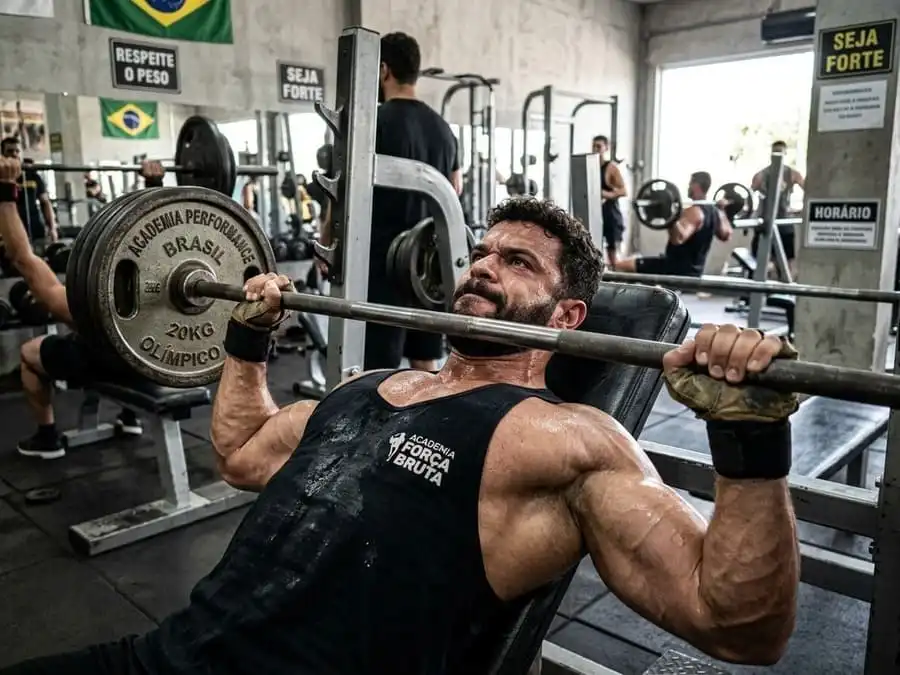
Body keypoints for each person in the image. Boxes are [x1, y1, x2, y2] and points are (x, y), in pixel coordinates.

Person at [1, 198, 801, 675]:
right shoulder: (362, 390)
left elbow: (739, 622)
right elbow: (243, 452)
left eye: (518, 262)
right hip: (166, 655)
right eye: (481, 251)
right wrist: (244, 344)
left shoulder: (566, 440)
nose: (483, 266)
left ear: (565, 318)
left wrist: (749, 441)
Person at [0, 158, 168, 459]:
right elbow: (166, 237)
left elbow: (22, 257)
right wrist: (155, 185)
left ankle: (47, 437)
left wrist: (4, 191)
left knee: (30, 353)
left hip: (113, 364)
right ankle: (129, 418)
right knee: (132, 347)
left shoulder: (84, 304)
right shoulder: (164, 287)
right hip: (158, 362)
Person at [320, 32, 462, 373]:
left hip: (380, 262)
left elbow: (341, 191)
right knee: (425, 361)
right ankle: (426, 424)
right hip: (428, 265)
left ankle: (376, 426)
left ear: (383, 69)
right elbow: (454, 191)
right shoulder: (444, 130)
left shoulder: (373, 124)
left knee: (375, 367)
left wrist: (327, 243)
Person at [616, 171, 733, 277]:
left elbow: (678, 238)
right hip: (695, 270)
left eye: (690, 184)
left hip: (676, 269)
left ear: (696, 186)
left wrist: (670, 215)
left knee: (618, 266)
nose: (688, 187)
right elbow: (726, 235)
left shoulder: (694, 212)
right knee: (632, 262)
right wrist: (722, 211)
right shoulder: (714, 211)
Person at [750, 140, 805, 278]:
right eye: (775, 152)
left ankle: (786, 290)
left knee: (787, 262)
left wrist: (800, 210)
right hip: (766, 221)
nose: (778, 155)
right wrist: (749, 213)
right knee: (761, 260)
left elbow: (809, 191)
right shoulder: (760, 175)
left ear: (785, 153)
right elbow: (748, 196)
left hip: (784, 223)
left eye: (781, 152)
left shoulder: (792, 174)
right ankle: (765, 290)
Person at [1, 137, 57, 243]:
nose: (14, 154)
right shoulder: (1, 178)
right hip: (9, 231)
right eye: (9, 151)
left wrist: (52, 228)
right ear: (2, 155)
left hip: (34, 229)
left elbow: (45, 203)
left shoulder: (33, 175)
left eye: (17, 151)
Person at [591, 134, 627, 270]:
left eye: (599, 146)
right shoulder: (590, 166)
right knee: (594, 249)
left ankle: (618, 282)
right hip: (595, 213)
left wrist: (605, 194)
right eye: (594, 146)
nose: (595, 149)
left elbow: (624, 191)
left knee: (613, 256)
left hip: (611, 215)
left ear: (606, 148)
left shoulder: (611, 167)